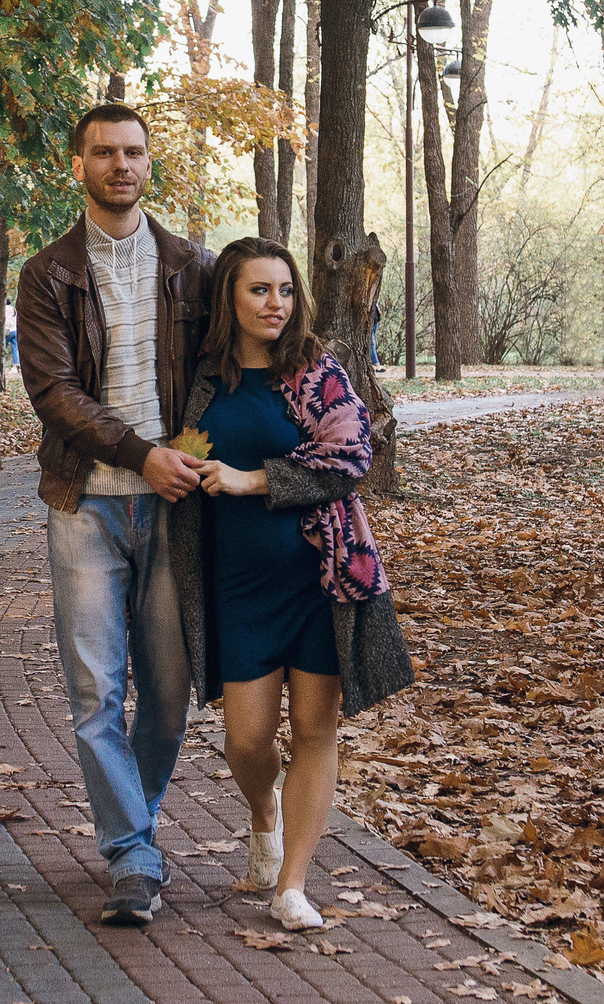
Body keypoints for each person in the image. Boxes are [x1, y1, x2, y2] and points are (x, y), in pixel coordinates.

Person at [173, 238, 414, 932]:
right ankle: (263, 812)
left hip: (322, 576)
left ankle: (293, 882)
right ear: (230, 298)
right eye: (258, 290)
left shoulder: (315, 368)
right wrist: (184, 469)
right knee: (246, 742)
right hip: (237, 582)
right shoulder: (206, 377)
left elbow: (353, 454)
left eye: (284, 289)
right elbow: (187, 444)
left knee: (315, 727)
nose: (275, 303)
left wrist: (257, 479)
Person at [15, 103, 213, 927]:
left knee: (168, 696)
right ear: (78, 164)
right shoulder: (47, 274)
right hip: (87, 505)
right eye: (104, 151)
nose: (120, 164)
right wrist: (141, 452)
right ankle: (133, 850)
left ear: (148, 162)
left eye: (133, 151)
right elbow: (53, 392)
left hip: (174, 512)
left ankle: (135, 823)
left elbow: (224, 371)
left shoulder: (196, 268)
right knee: (97, 689)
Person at [2, 296, 18, 369]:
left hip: (8, 330)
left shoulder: (4, 309)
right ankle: (16, 364)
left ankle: (2, 364)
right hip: (14, 330)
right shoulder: (13, 309)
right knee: (15, 348)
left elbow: (7, 320)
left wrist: (6, 329)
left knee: (2, 348)